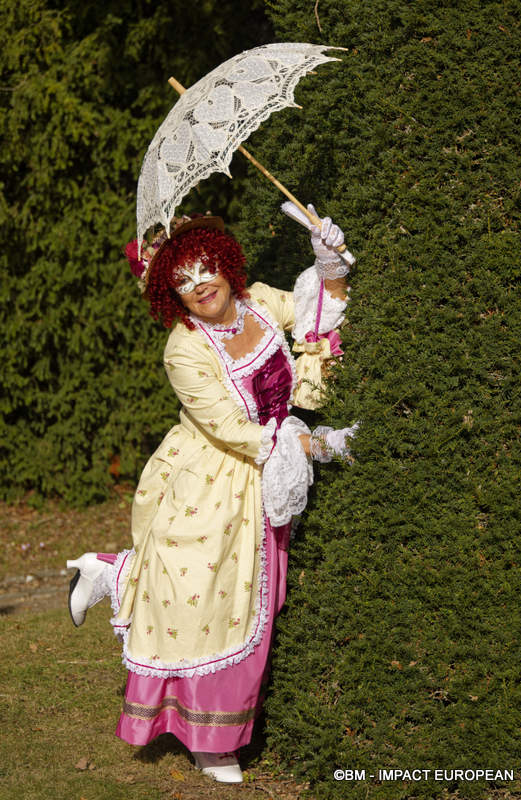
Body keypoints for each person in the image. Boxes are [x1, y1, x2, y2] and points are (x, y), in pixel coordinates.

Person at [67, 209, 355, 783]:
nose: (200, 284)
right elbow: (230, 427)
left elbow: (315, 316)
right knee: (205, 600)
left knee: (254, 603)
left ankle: (109, 574)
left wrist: (328, 259)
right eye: (182, 279)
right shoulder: (184, 350)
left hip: (264, 464)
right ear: (171, 291)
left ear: (223, 261)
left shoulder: (258, 302)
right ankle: (209, 742)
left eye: (205, 269)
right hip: (215, 474)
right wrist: (312, 443)